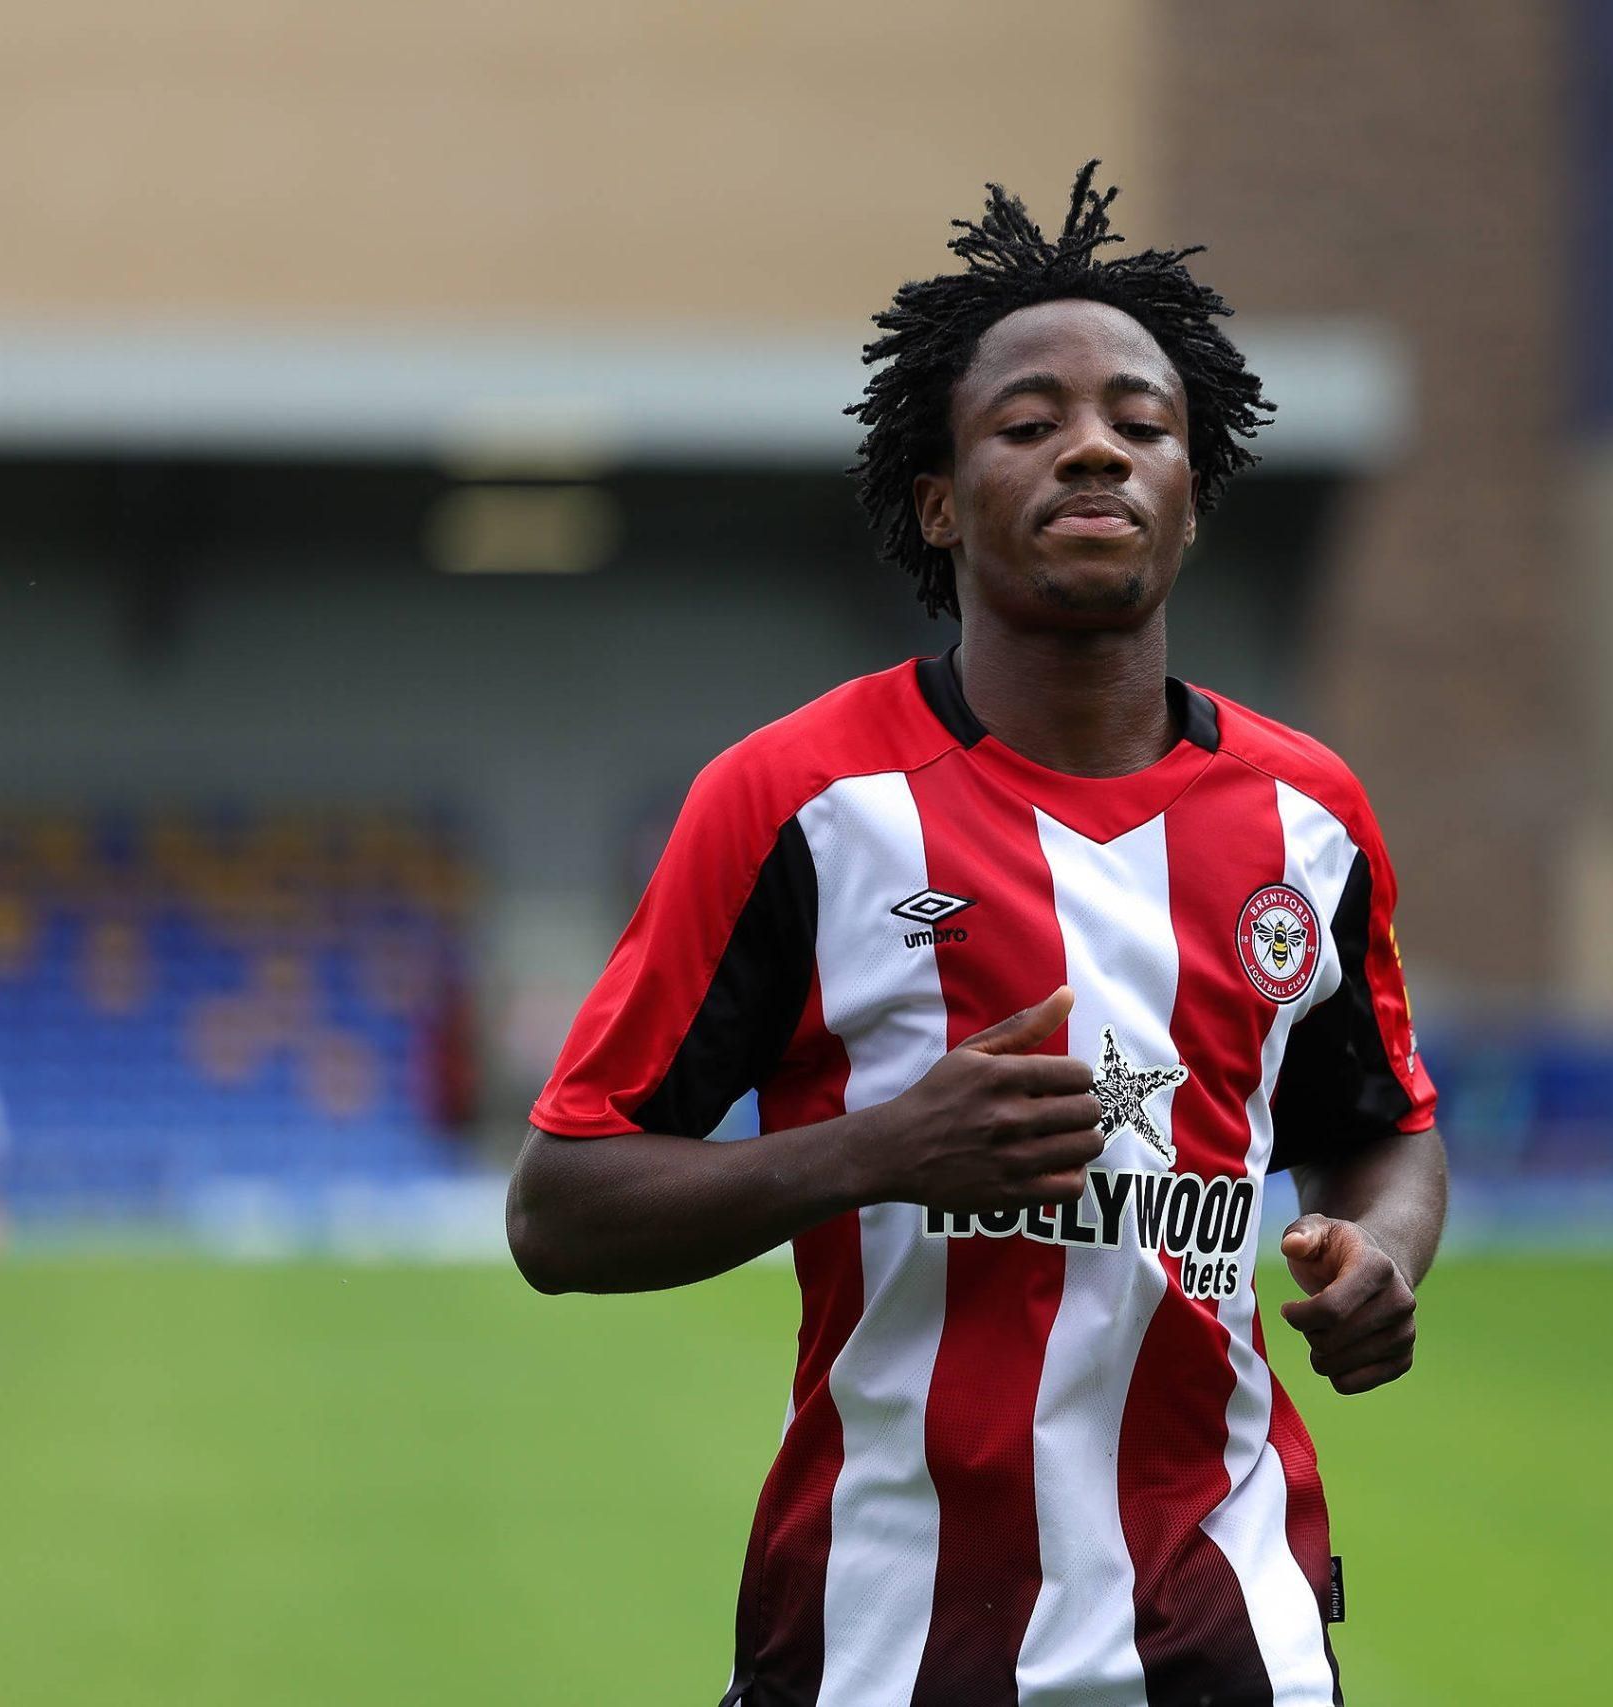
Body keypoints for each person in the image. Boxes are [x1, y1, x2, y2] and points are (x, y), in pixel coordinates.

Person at [508, 164, 1447, 1707]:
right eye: (1031, 423)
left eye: (1143, 425)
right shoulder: (801, 801)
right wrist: (880, 1151)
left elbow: (1383, 1130)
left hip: (1231, 1629)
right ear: (939, 504)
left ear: (1192, 490)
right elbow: (561, 1210)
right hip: (891, 1638)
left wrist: (1382, 1253)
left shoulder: (1311, 819)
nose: (1095, 446)